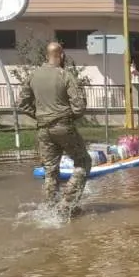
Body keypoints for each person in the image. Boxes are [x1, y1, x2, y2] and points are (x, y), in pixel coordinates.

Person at [19, 42, 91, 214]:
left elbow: (22, 103)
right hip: (63, 126)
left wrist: (39, 116)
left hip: (43, 129)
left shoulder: (33, 76)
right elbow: (79, 106)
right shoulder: (65, 75)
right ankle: (68, 202)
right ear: (62, 56)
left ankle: (49, 209)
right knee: (83, 161)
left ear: (46, 56)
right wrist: (68, 117)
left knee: (50, 171)